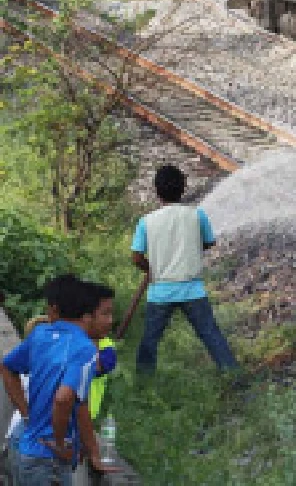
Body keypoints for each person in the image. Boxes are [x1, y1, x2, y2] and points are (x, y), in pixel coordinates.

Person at [1, 279, 117, 485]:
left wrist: (28, 415)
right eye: (105, 313)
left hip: (24, 449)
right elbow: (64, 399)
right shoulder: (84, 349)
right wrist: (60, 442)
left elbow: (7, 367)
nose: (110, 321)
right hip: (48, 461)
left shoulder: (40, 334)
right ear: (88, 314)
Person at [131, 164, 236, 374]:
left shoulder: (146, 222)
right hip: (192, 289)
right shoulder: (198, 215)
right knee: (210, 334)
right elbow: (208, 242)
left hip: (160, 291)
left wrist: (150, 269)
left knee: (150, 341)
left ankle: (143, 384)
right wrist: (190, 250)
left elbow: (136, 257)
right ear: (183, 189)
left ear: (156, 190)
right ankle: (233, 375)